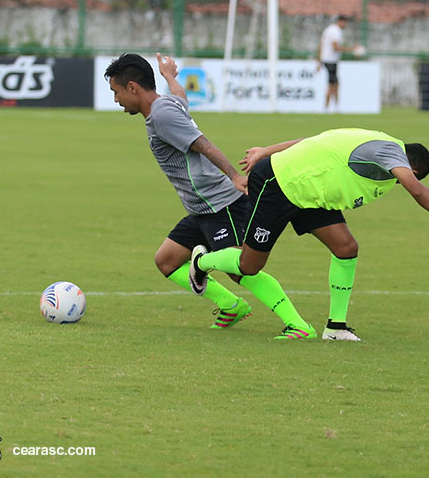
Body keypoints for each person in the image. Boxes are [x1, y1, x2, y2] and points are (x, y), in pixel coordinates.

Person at [190, 128, 429, 341]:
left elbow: (318, 140)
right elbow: (417, 190)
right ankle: (203, 262)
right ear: (411, 166)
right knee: (250, 266)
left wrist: (266, 148)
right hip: (279, 183)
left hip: (312, 196)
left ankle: (336, 327)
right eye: (407, 175)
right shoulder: (389, 151)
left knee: (346, 247)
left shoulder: (378, 146)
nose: (401, 182)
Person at [104, 53, 314, 335]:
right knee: (166, 260)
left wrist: (235, 176)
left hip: (219, 202)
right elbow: (182, 97)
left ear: (132, 87)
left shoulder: (162, 115)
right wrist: (170, 77)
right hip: (201, 207)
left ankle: (299, 325)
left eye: (116, 92)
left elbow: (203, 145)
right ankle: (230, 305)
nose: (116, 100)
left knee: (241, 268)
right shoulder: (167, 103)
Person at [316, 14, 357, 112]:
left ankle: (335, 106)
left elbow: (321, 45)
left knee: (336, 83)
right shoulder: (335, 31)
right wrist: (351, 49)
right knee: (332, 84)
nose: (345, 25)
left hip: (328, 60)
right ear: (341, 21)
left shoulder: (328, 30)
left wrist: (319, 60)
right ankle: (327, 108)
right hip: (330, 60)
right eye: (345, 23)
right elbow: (336, 47)